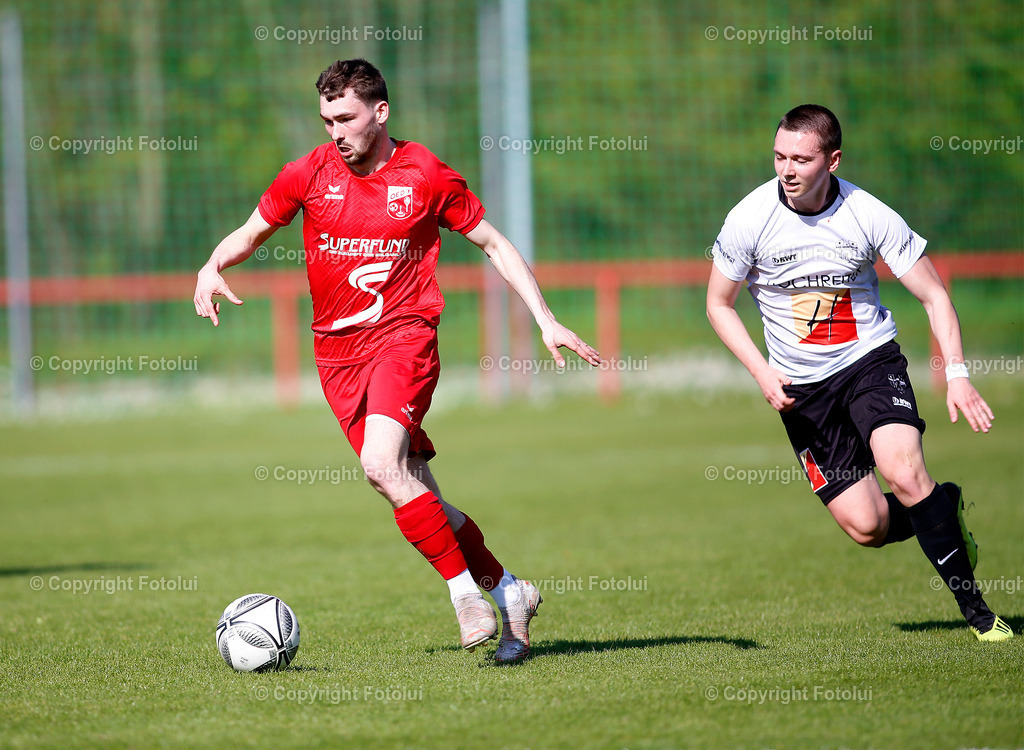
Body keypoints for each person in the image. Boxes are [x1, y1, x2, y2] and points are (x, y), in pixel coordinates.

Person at [194, 58, 601, 663]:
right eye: (327, 120)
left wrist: (545, 319)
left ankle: (465, 596)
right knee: (414, 488)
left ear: (380, 113)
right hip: (337, 358)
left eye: (346, 118)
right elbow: (250, 233)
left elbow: (493, 243)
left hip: (403, 339)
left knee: (381, 466)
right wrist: (211, 265)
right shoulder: (308, 173)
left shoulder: (425, 174)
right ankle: (509, 591)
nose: (335, 131)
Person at [706, 104, 1012, 642]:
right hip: (802, 390)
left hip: (869, 363)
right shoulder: (749, 219)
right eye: (779, 156)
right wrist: (761, 372)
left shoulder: (868, 214)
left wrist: (958, 374)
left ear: (833, 160)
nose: (787, 170)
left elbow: (935, 296)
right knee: (867, 526)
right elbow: (718, 304)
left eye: (801, 159)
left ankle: (980, 615)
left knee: (904, 471)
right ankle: (944, 507)